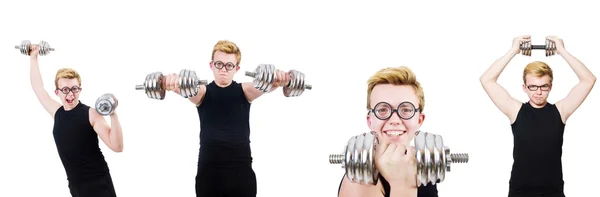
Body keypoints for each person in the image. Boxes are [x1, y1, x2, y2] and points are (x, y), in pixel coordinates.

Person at [162, 40, 290, 197]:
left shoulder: (245, 91)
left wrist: (281, 79)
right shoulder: (202, 92)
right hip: (209, 174)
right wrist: (171, 82)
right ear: (211, 65)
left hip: (241, 174)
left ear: (236, 68)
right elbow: (187, 89)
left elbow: (265, 84)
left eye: (229, 65)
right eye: (219, 64)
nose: (223, 69)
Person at [480, 35, 596, 197]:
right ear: (524, 87)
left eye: (544, 86)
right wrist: (513, 51)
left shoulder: (561, 111)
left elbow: (588, 80)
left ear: (551, 87)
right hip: (520, 191)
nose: (539, 92)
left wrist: (562, 51)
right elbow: (487, 80)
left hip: (553, 192)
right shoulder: (515, 111)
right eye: (533, 87)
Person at [28, 45, 124, 197]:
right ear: (57, 92)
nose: (70, 94)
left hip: (98, 183)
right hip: (75, 185)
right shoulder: (57, 112)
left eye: (74, 89)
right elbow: (38, 88)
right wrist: (33, 57)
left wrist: (113, 114)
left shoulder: (91, 114)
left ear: (80, 89)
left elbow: (117, 146)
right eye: (65, 90)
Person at [338, 66, 439, 197]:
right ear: (370, 121)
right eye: (382, 110)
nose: (395, 120)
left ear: (420, 119)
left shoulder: (425, 169)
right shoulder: (360, 179)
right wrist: (402, 185)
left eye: (406, 110)